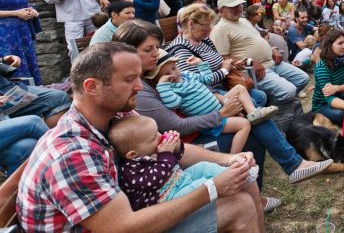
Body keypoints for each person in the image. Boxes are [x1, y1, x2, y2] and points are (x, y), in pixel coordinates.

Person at [17, 42, 266, 233]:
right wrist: (211, 189)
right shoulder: (73, 152)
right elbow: (124, 227)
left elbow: (169, 147)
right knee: (238, 206)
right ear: (92, 87)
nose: (139, 86)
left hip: (130, 210)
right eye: (129, 79)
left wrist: (228, 161)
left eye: (139, 76)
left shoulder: (117, 115)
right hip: (121, 223)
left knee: (242, 177)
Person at [116, 21, 332, 194]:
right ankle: (274, 176)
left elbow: (192, 84)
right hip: (182, 148)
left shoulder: (151, 75)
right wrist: (221, 113)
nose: (156, 53)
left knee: (253, 109)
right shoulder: (142, 88)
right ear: (128, 52)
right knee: (253, 128)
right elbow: (177, 126)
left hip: (197, 126)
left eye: (156, 47)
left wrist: (217, 96)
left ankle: (274, 178)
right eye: (149, 49)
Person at [108, 116, 252, 211]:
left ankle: (239, 174)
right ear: (133, 154)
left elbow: (174, 161)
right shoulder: (129, 170)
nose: (160, 137)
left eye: (158, 132)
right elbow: (154, 180)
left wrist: (175, 147)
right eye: (153, 138)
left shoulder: (147, 150)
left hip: (178, 180)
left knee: (203, 167)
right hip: (167, 199)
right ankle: (231, 181)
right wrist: (165, 154)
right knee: (202, 184)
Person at [150, 50, 269, 154]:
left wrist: (200, 64)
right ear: (159, 79)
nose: (173, 74)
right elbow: (173, 103)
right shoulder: (169, 89)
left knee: (240, 88)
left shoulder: (187, 75)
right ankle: (233, 157)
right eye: (166, 74)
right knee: (244, 124)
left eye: (174, 68)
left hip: (219, 106)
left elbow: (208, 79)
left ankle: (253, 113)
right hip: (213, 120)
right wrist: (162, 86)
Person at [211, 0, 308, 104]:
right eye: (233, 7)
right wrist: (249, 62)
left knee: (303, 78)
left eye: (239, 5)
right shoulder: (220, 28)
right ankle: (274, 109)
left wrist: (273, 49)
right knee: (289, 91)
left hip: (273, 62)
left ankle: (278, 105)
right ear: (221, 10)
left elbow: (258, 38)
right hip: (254, 71)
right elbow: (222, 58)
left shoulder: (243, 20)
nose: (238, 8)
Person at [0, 0, 41, 83]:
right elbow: (16, 10)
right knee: (13, 60)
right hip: (6, 33)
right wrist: (15, 13)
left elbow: (24, 5)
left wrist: (31, 10)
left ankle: (32, 91)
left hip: (23, 31)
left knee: (27, 59)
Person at [0, 54, 70, 127]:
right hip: (4, 100)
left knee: (60, 96)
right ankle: (52, 136)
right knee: (59, 99)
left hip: (11, 88)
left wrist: (4, 60)